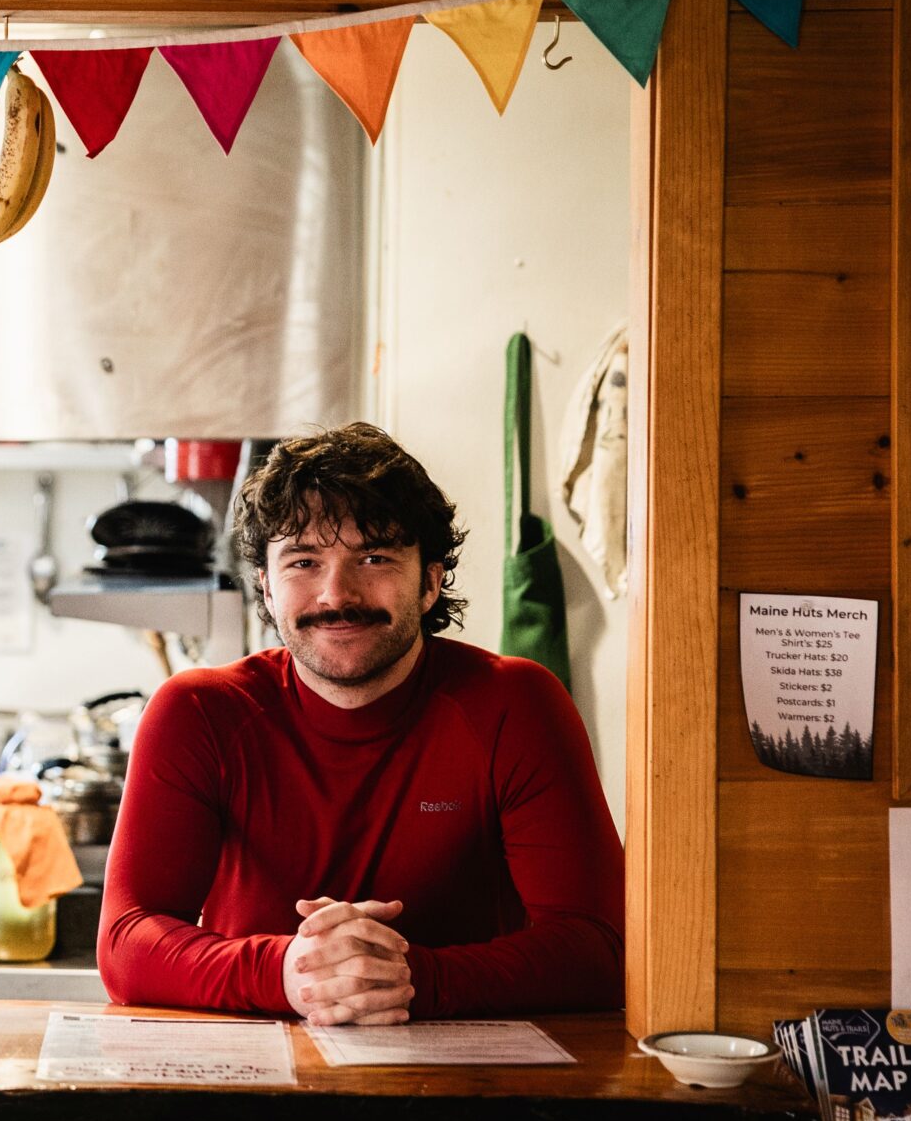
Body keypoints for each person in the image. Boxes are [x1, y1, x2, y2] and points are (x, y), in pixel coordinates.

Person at [99, 423, 624, 1025]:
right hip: (254, 1071)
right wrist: (289, 973)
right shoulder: (198, 713)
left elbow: (602, 949)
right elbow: (125, 943)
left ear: (429, 582)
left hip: (468, 1073)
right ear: (266, 587)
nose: (336, 594)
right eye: (303, 561)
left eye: (374, 558)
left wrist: (415, 979)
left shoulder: (516, 704)